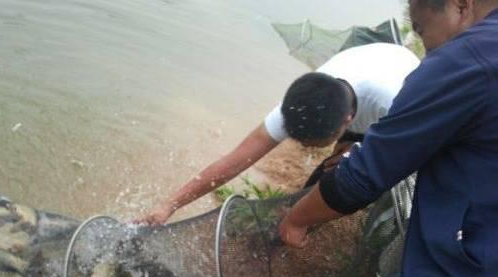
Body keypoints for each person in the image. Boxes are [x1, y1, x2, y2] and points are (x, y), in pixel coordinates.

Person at [278, 0, 498, 277]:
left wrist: (296, 218)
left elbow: (362, 177)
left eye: (422, 31)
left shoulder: (463, 61)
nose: (424, 48)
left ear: (460, 5)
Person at [136, 42, 420, 225]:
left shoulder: (393, 100)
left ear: (347, 121)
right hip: (362, 70)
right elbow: (235, 161)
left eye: (314, 144)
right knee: (321, 180)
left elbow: (417, 153)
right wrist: (168, 205)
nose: (309, 151)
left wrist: (359, 151)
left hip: (403, 86)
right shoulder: (301, 104)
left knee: (360, 178)